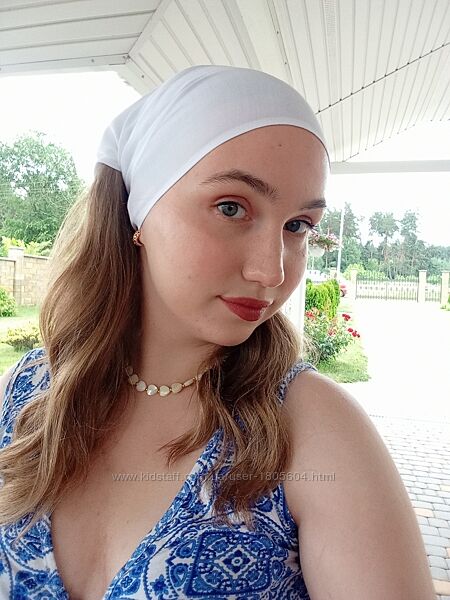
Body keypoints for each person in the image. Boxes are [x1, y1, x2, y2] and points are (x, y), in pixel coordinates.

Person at [0, 65, 435, 600]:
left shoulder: (314, 430)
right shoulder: (26, 396)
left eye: (298, 226)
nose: (271, 270)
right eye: (231, 208)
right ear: (140, 212)